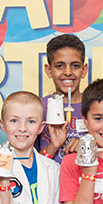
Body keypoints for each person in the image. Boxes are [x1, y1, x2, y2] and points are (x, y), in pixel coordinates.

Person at [37, 34, 88, 164]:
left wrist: (87, 145)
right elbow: (29, 160)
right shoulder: (38, 108)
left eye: (75, 66)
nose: (68, 72)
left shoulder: (96, 107)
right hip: (50, 182)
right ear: (49, 70)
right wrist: (52, 147)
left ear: (84, 70)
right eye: (60, 66)